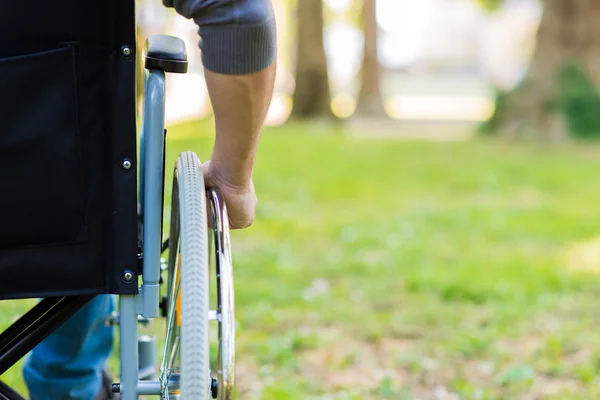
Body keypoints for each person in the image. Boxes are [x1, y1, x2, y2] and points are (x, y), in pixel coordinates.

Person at [21, 0, 277, 399]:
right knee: (80, 198)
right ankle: (65, 384)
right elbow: (240, 12)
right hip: (61, 206)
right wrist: (234, 179)